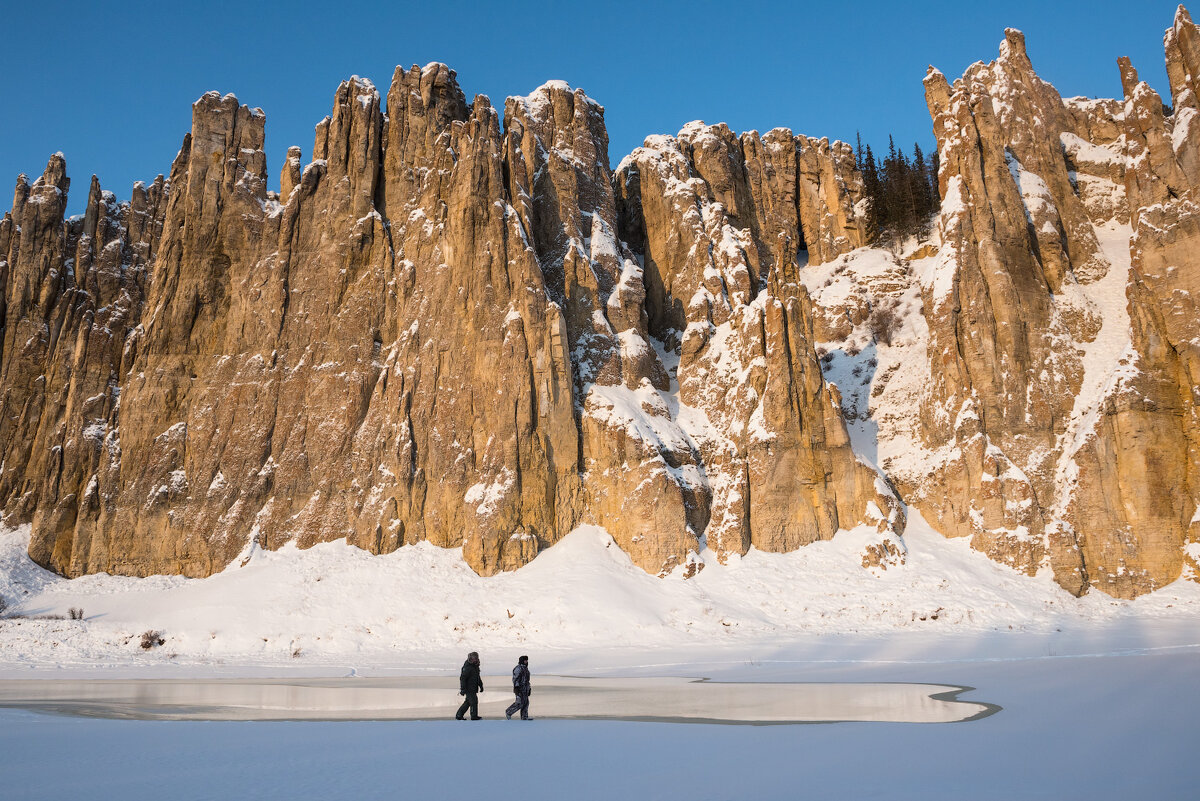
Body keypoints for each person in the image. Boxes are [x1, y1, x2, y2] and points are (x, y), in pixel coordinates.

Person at [455, 651, 484, 720]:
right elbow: (462, 678)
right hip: (468, 688)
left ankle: (459, 715)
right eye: (474, 658)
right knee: (473, 701)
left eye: (476, 658)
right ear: (470, 658)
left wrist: (481, 685)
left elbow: (477, 677)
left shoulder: (475, 666)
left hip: (473, 687)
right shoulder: (468, 667)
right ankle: (474, 716)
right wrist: (463, 689)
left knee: (468, 702)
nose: (475, 659)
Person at [505, 655, 532, 720]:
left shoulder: (526, 669)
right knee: (519, 702)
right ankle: (509, 712)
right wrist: (516, 687)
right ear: (522, 661)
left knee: (526, 703)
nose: (526, 661)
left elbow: (527, 680)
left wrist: (529, 688)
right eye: (525, 660)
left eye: (527, 660)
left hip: (525, 689)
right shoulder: (518, 668)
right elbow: (515, 679)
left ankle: (524, 716)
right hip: (519, 688)